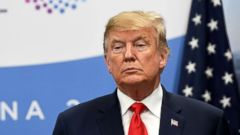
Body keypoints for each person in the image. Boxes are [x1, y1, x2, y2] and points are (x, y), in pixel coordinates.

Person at [52, 11, 230, 135]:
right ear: (107, 62)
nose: (128, 55)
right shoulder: (73, 125)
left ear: (162, 56)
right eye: (118, 47)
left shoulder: (207, 122)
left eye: (140, 45)